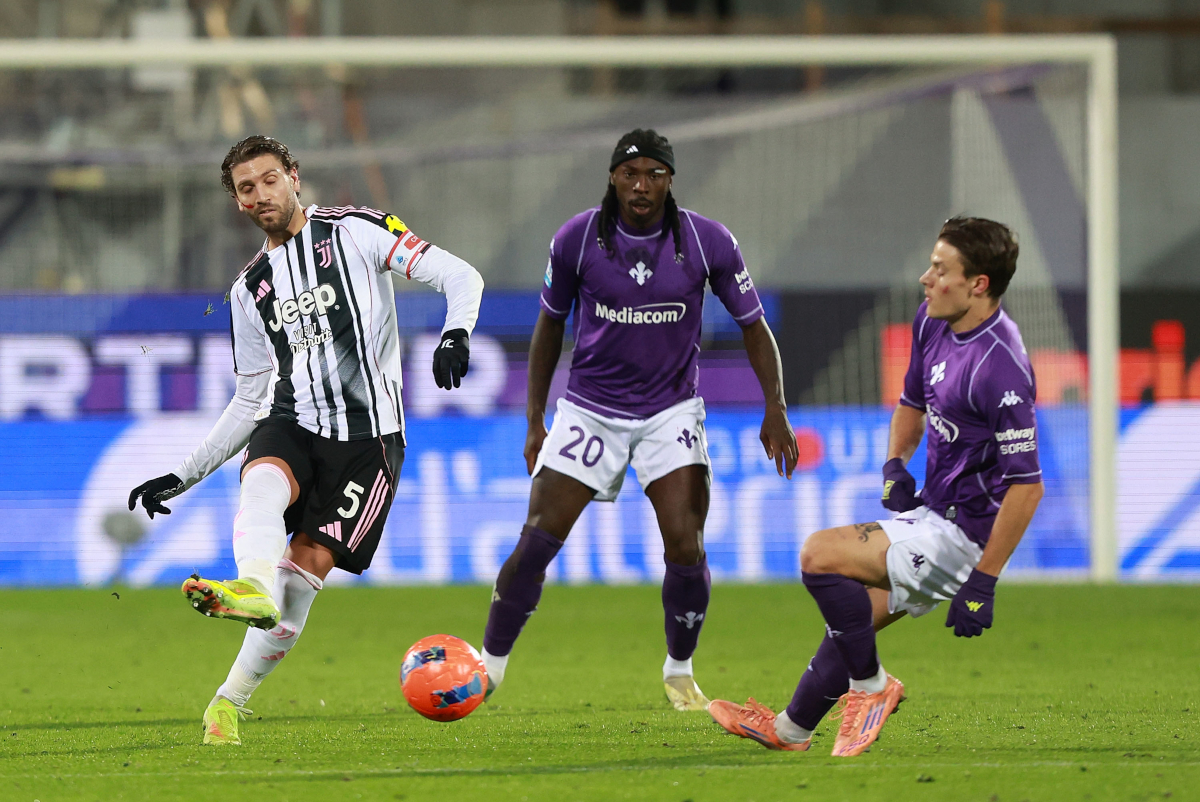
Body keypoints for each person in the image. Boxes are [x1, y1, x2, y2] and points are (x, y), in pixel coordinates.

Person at [127, 135, 484, 745]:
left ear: (294, 177)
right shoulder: (250, 289)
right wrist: (183, 475)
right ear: (238, 204)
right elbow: (250, 396)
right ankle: (250, 587)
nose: (261, 194)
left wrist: (457, 332)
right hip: (295, 421)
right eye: (246, 188)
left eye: (269, 179)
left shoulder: (359, 231)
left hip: (369, 445)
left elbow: (460, 274)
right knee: (262, 481)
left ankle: (226, 703)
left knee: (299, 586)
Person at [479, 129, 799, 712]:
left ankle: (680, 670)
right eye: (630, 173)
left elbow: (754, 326)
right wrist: (535, 419)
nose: (642, 185)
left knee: (685, 541)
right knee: (537, 541)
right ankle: (489, 667)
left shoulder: (708, 242)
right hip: (590, 411)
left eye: (654, 173)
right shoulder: (576, 240)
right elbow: (549, 327)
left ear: (671, 179)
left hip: (670, 410)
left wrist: (774, 406)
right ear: (612, 177)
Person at [709, 217, 1044, 756]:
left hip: (966, 537)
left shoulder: (1001, 368)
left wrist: (983, 580)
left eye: (940, 269)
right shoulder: (935, 321)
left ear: (978, 284)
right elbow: (913, 402)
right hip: (934, 514)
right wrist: (895, 464)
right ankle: (791, 731)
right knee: (854, 622)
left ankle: (873, 688)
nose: (925, 278)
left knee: (819, 555)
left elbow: (1027, 486)